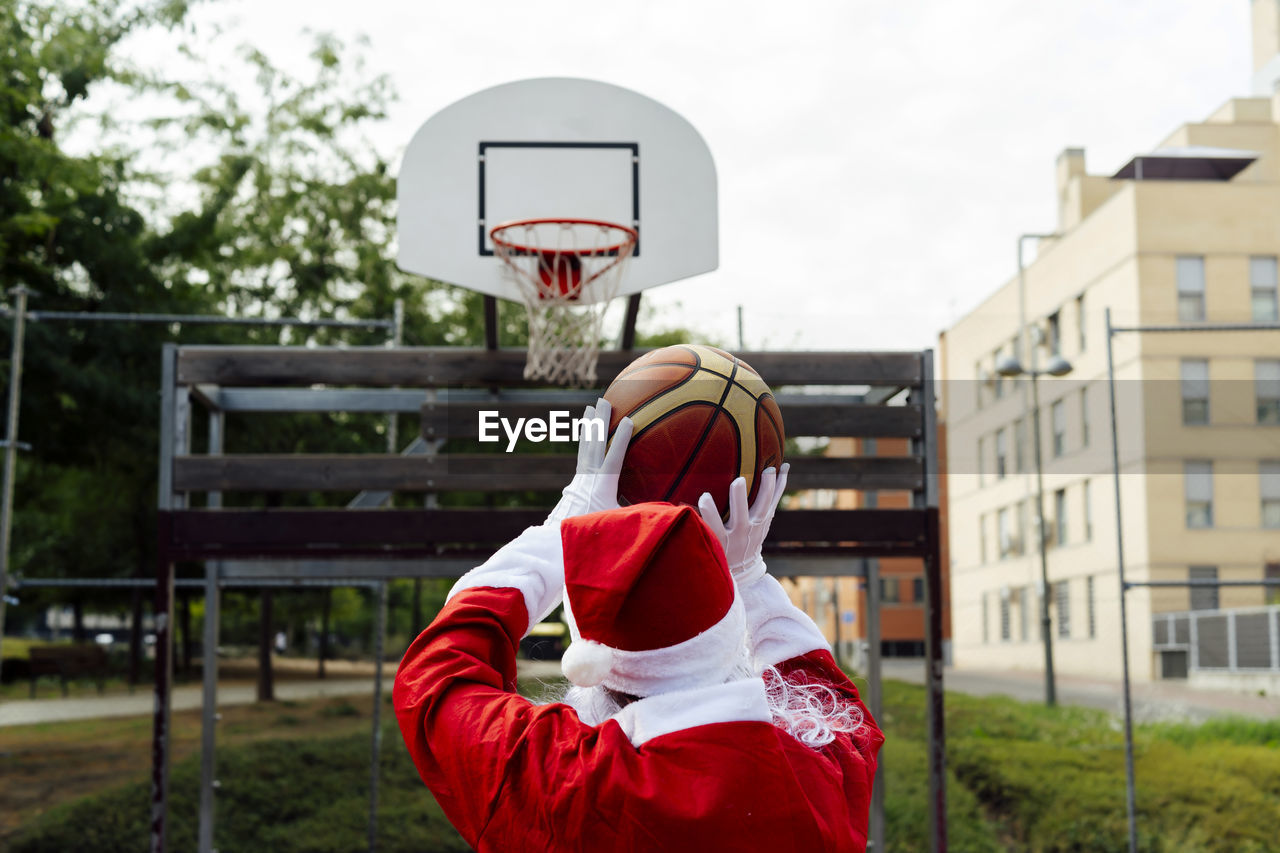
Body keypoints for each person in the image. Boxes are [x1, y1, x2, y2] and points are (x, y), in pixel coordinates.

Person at [394, 401, 883, 852]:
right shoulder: (821, 772)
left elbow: (436, 676)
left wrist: (566, 522)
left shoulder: (555, 778)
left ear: (591, 654)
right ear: (732, 630)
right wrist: (748, 575)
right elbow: (826, 695)